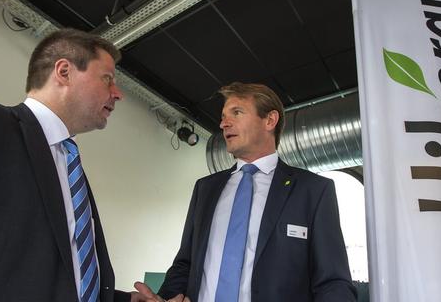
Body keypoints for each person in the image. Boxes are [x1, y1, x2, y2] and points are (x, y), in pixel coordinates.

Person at [0, 29, 182, 302]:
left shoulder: (70, 167)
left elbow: (45, 274)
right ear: (64, 72)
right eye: (107, 79)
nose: (118, 93)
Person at [148, 82, 357, 301]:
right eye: (223, 116)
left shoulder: (313, 190)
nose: (223, 123)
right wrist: (167, 296)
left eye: (236, 112)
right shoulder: (205, 188)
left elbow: (333, 282)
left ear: (270, 120)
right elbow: (185, 265)